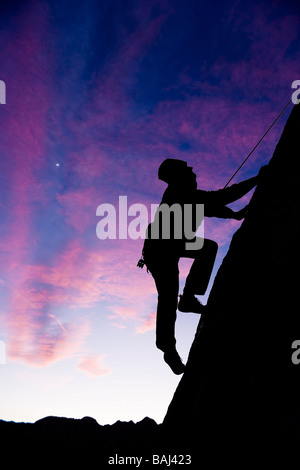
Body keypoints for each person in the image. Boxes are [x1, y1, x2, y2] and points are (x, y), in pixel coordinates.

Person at [139, 158, 260, 375]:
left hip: (168, 247)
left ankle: (188, 299)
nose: (192, 170)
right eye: (187, 169)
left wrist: (233, 214)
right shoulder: (179, 192)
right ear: (178, 175)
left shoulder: (183, 193)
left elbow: (209, 206)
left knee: (207, 249)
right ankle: (168, 348)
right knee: (167, 297)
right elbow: (217, 199)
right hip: (160, 251)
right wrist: (257, 180)